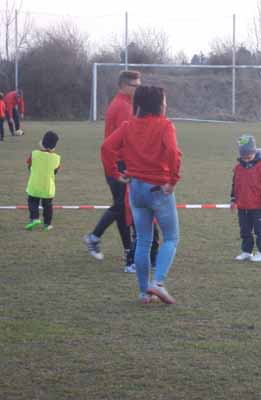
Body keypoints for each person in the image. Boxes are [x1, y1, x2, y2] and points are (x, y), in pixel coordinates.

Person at [101, 86, 182, 305]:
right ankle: (158, 283)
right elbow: (174, 152)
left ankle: (143, 292)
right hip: (158, 188)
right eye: (164, 101)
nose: (166, 104)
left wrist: (115, 173)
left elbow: (107, 147)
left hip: (135, 189)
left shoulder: (128, 126)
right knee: (171, 237)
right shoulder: (165, 125)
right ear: (157, 104)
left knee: (143, 240)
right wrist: (173, 181)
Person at [84, 70, 141, 266]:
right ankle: (94, 237)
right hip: (120, 163)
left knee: (122, 207)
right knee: (121, 207)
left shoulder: (124, 103)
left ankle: (126, 251)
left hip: (117, 162)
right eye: (136, 86)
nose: (139, 89)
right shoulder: (123, 107)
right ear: (125, 86)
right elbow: (126, 140)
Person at [231, 134, 261, 263]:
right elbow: (235, 184)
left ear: (254, 152)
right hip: (243, 206)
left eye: (249, 156)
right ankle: (246, 251)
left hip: (258, 206)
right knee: (245, 230)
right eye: (244, 157)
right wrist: (233, 200)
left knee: (260, 230)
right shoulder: (238, 168)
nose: (247, 159)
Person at [25, 131, 61, 231]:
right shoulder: (57, 158)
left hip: (34, 185)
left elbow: (29, 165)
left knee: (32, 202)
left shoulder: (34, 154)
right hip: (48, 186)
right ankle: (47, 224)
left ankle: (34, 218)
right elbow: (55, 171)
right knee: (48, 206)